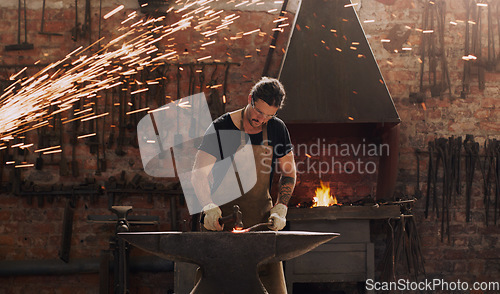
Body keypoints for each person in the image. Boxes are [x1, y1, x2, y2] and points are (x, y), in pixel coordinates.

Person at [191, 77, 296, 294]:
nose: (262, 119)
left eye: (269, 115)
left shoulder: (276, 129)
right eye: (259, 112)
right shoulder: (222, 127)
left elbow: (288, 173)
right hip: (221, 224)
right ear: (250, 99)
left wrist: (281, 207)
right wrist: (208, 206)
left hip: (260, 228)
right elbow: (198, 175)